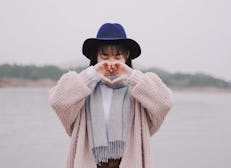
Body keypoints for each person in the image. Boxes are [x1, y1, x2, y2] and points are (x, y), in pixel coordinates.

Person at [48, 23, 173, 168]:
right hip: (92, 162)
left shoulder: (138, 89)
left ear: (126, 56)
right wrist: (91, 74)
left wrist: (133, 76)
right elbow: (58, 101)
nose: (111, 62)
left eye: (118, 56)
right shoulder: (84, 88)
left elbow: (165, 102)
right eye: (104, 55)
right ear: (96, 57)